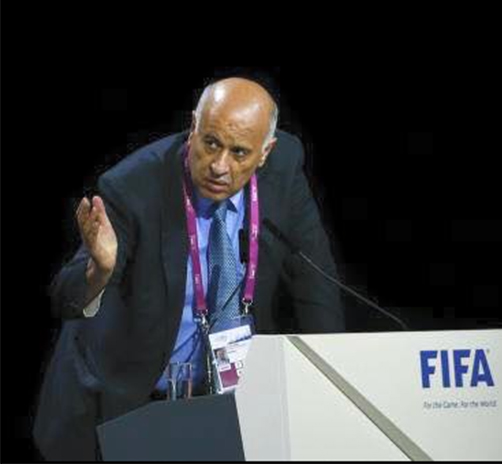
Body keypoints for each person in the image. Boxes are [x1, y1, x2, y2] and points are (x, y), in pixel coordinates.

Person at [33, 77, 345, 461]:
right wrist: (100, 269)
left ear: (265, 152)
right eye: (210, 143)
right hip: (125, 402)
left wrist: (332, 383)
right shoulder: (133, 186)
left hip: (226, 403)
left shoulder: (284, 167)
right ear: (194, 127)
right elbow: (64, 297)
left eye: (239, 152)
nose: (219, 166)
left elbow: (316, 286)